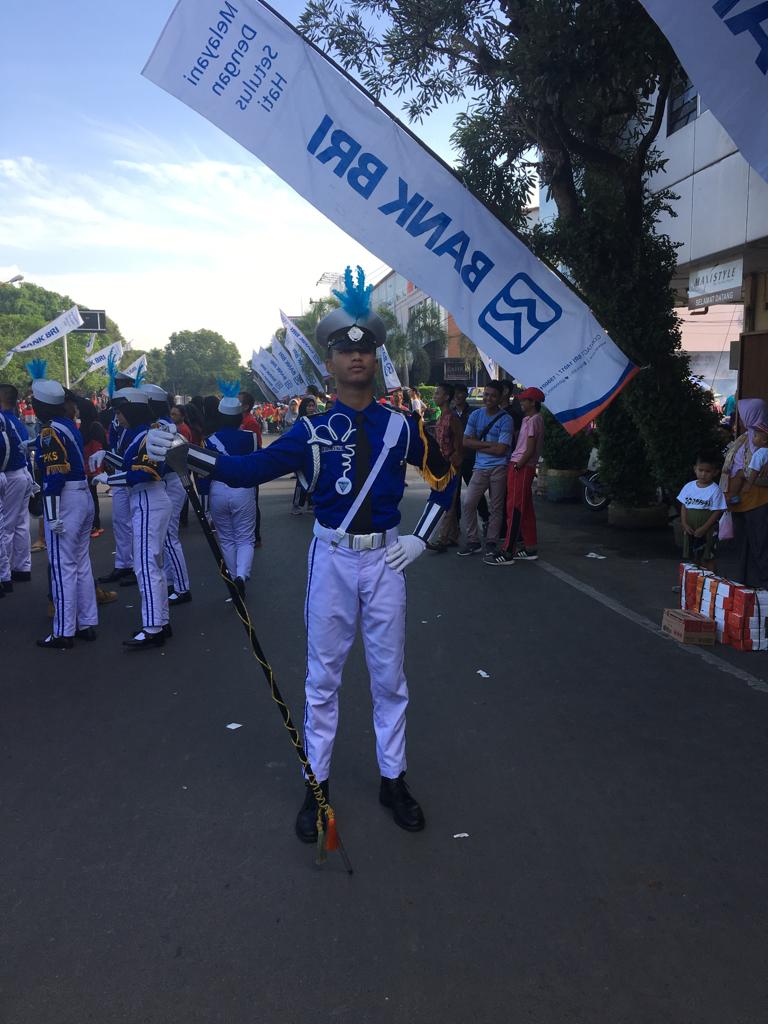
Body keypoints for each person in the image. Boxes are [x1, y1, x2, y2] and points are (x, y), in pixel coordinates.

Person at [147, 265, 455, 841]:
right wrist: (187, 456)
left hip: (386, 561)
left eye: (364, 349)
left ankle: (393, 779)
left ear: (375, 359)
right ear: (330, 362)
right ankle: (318, 785)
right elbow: (246, 470)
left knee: (390, 679)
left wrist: (421, 537)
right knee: (323, 681)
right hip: (332, 561)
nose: (356, 357)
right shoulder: (310, 430)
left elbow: (447, 479)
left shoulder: (402, 426)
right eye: (344, 350)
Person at [30, 370, 98, 649]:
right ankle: (86, 623)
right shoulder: (68, 425)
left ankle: (63, 631)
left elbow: (54, 475)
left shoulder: (49, 431)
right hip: (82, 495)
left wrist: (51, 513)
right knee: (81, 563)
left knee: (62, 566)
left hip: (64, 499)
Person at [110, 388, 173, 649]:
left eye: (120, 412)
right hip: (149, 499)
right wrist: (107, 457)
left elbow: (146, 472)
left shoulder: (148, 435)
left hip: (148, 498)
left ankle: (153, 628)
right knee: (153, 564)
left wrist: (110, 478)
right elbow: (132, 465)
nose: (118, 417)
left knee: (146, 566)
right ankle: (161, 621)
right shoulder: (142, 434)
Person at [198, 383, 260, 596]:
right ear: (239, 416)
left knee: (226, 538)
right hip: (243, 489)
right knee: (245, 538)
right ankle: (242, 575)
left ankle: (233, 580)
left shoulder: (208, 441)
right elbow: (256, 464)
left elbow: (204, 475)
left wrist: (204, 501)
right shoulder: (250, 437)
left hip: (217, 490)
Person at [485, 387, 546, 565]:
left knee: (514, 508)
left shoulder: (534, 420)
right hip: (521, 465)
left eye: (524, 400)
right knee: (524, 508)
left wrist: (518, 465)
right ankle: (530, 547)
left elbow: (529, 449)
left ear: (533, 403)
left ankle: (507, 551)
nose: (521, 403)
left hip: (521, 466)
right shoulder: (530, 419)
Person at [458, 381, 512, 556]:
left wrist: (478, 444)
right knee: (468, 503)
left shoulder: (506, 419)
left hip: (499, 467)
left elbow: (501, 450)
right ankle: (473, 540)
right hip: (480, 467)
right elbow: (465, 442)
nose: (488, 398)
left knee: (496, 507)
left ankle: (491, 541)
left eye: (493, 396)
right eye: (486, 394)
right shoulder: (475, 415)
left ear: (500, 398)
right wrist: (490, 445)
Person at [721, 399, 768, 587]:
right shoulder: (747, 437)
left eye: (743, 415)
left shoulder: (761, 439)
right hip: (740, 501)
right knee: (745, 545)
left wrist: (741, 476)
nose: (739, 419)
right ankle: (746, 586)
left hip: (758, 501)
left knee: (760, 545)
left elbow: (750, 472)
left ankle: (763, 587)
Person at [0, 383, 34, 583]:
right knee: (21, 524)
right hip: (22, 473)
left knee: (6, 526)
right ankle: (22, 567)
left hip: (11, 474)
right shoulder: (16, 421)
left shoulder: (3, 419)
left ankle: (4, 572)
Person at [428, 383, 464, 552]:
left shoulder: (452, 418)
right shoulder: (441, 416)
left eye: (438, 393)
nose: (435, 396)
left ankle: (443, 539)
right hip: (441, 464)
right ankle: (453, 535)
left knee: (446, 501)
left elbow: (459, 443)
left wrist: (454, 461)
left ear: (447, 397)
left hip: (451, 465)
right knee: (449, 500)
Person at [677, 453, 727, 571]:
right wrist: (684, 524)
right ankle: (695, 580)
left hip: (707, 530)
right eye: (700, 470)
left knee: (707, 557)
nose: (703, 474)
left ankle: (711, 580)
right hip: (690, 529)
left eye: (707, 471)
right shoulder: (689, 487)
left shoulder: (715, 490)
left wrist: (704, 528)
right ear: (695, 469)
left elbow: (717, 511)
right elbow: (684, 506)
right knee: (692, 556)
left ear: (715, 472)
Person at [291, 396, 318, 514]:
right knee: (301, 481)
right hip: (301, 454)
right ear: (303, 407)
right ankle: (296, 505)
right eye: (309, 406)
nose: (311, 408)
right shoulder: (300, 422)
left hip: (314, 455)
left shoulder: (317, 419)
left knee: (314, 479)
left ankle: (311, 504)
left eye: (313, 406)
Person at [83, 420, 107, 538]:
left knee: (90, 499)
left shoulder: (89, 429)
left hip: (89, 470)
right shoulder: (96, 426)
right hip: (93, 470)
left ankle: (93, 526)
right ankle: (96, 525)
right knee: (93, 498)